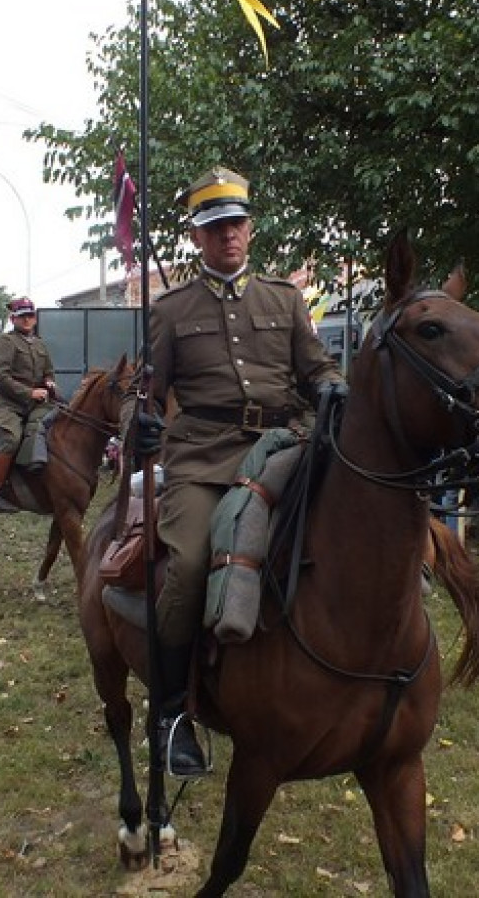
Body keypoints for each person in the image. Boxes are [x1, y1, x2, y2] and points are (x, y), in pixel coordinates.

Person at [119, 166, 346, 775]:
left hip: (283, 445)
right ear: (197, 237)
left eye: (237, 224)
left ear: (250, 227)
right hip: (202, 455)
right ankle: (171, 713)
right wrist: (137, 422)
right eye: (216, 227)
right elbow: (141, 393)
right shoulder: (170, 310)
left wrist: (331, 391)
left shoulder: (284, 298)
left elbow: (317, 368)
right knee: (190, 563)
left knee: (352, 526)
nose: (229, 236)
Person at [0, 297, 56, 514]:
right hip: (7, 404)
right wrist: (29, 392)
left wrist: (49, 381)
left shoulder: (40, 344)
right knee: (12, 438)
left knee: (55, 425)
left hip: (35, 405)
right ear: (13, 319)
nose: (27, 320)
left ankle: (37, 475)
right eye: (22, 316)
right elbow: (0, 377)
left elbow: (48, 371)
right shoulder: (6, 342)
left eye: (30, 315)